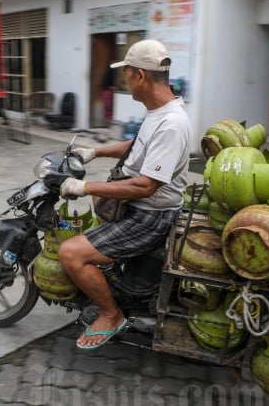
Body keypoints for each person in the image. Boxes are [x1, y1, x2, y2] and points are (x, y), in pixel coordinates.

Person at [58, 39, 193, 350]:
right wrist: (96, 152)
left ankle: (111, 313)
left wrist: (84, 186)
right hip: (138, 207)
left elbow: (145, 186)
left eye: (127, 75)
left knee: (70, 253)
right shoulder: (158, 111)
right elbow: (137, 146)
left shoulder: (172, 124)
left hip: (150, 216)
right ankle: (112, 281)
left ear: (140, 76)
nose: (125, 81)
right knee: (98, 205)